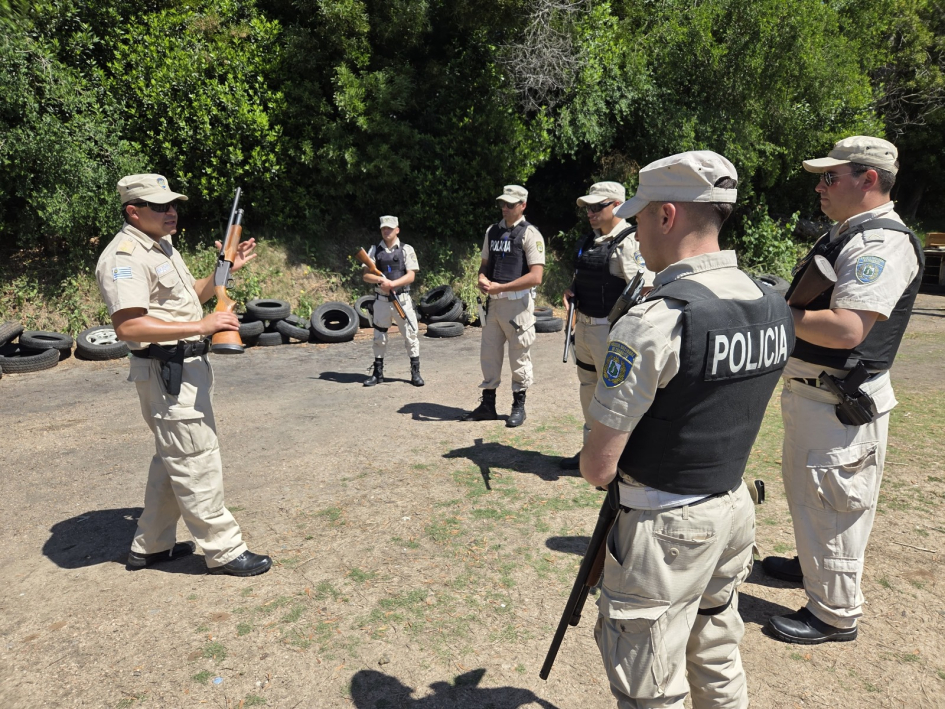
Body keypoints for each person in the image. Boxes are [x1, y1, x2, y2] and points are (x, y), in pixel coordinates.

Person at [580, 151, 794, 708]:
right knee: (716, 656)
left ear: (667, 215)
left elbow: (598, 467)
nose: (635, 230)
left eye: (640, 216)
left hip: (666, 528)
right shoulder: (770, 302)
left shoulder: (656, 320)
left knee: (649, 686)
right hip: (733, 507)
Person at [764, 136, 924, 644]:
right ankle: (813, 568)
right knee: (813, 495)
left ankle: (834, 614)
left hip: (839, 406)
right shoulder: (847, 233)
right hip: (818, 397)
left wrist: (774, 312)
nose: (821, 186)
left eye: (831, 177)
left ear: (869, 179)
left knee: (834, 505)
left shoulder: (882, 243)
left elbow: (848, 329)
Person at [95, 173, 271, 577]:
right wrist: (202, 326)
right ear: (133, 212)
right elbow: (129, 327)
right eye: (160, 206)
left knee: (173, 457)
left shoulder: (161, 245)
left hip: (185, 366)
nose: (171, 211)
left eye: (173, 204)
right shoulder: (124, 257)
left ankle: (151, 546)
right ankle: (224, 550)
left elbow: (191, 294)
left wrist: (224, 270)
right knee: (195, 458)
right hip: (165, 370)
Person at [559, 182, 654, 469]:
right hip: (585, 328)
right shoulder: (590, 241)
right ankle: (591, 452)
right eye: (588, 208)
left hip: (611, 331)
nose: (590, 212)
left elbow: (645, 289)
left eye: (597, 206)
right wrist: (570, 292)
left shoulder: (629, 242)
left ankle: (619, 458)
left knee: (615, 395)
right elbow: (584, 278)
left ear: (617, 205)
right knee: (588, 389)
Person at [464, 185, 545, 427]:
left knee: (519, 355)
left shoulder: (531, 234)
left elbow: (536, 276)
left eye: (510, 204)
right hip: (493, 305)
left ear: (523, 205)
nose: (505, 208)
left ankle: (518, 406)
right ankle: (488, 404)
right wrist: (481, 278)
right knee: (489, 354)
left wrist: (502, 287)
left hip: (517, 305)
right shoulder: (492, 231)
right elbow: (484, 265)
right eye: (502, 203)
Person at [361, 215, 423, 387]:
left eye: (389, 228)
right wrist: (381, 280)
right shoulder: (374, 250)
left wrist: (392, 284)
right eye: (383, 228)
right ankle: (378, 373)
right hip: (381, 301)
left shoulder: (406, 249)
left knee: (411, 335)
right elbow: (366, 275)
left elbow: (411, 275)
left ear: (397, 230)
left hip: (401, 300)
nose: (386, 231)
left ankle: (415, 373)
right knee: (379, 337)